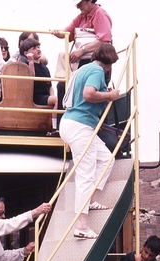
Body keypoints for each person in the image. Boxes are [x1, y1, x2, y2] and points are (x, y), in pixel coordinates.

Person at [58, 42, 121, 239]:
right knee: (85, 173)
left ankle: (89, 200)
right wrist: (110, 95)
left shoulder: (83, 69)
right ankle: (82, 226)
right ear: (109, 62)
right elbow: (89, 94)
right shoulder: (97, 71)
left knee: (106, 160)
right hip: (80, 126)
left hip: (71, 122)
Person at [54, 0, 113, 68]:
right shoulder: (81, 17)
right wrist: (57, 32)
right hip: (85, 61)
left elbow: (104, 40)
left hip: (98, 62)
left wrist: (82, 50)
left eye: (80, 3)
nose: (78, 7)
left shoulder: (100, 13)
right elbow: (67, 33)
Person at [19, 38, 56, 107]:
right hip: (35, 97)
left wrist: (52, 96)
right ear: (26, 53)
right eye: (34, 48)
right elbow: (31, 79)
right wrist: (31, 61)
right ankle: (54, 118)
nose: (38, 49)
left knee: (60, 99)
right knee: (57, 99)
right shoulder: (25, 67)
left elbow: (50, 86)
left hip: (46, 97)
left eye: (38, 47)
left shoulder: (45, 68)